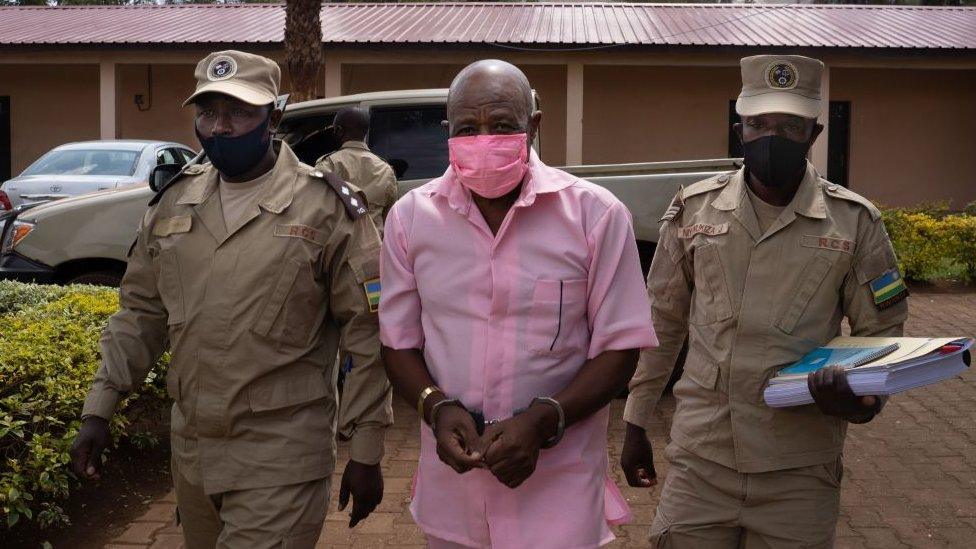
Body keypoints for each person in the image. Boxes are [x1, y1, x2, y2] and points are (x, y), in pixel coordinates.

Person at [69, 50, 392, 549]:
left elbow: (367, 334)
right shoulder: (173, 203)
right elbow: (140, 314)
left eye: (240, 112)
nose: (220, 128)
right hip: (194, 456)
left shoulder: (325, 207)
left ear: (274, 116)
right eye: (208, 112)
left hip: (281, 458)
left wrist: (367, 449)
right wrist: (99, 409)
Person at [621, 54, 909, 548]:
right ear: (740, 130)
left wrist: (863, 400)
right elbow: (661, 323)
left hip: (797, 468)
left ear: (813, 134)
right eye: (759, 124)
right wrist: (635, 421)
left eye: (790, 126)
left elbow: (881, 334)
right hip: (700, 460)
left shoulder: (854, 223)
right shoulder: (694, 210)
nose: (771, 137)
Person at [379, 59, 659, 549]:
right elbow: (398, 342)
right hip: (454, 492)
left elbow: (620, 349)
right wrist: (436, 407)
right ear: (448, 132)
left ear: (534, 124)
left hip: (558, 492)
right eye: (468, 128)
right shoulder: (409, 218)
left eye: (503, 125)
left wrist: (543, 421)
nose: (484, 139)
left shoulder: (596, 216)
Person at [316, 107, 398, 236]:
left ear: (338, 131)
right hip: (374, 248)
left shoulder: (328, 165)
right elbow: (389, 217)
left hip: (339, 249)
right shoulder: (386, 169)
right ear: (365, 132)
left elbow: (317, 210)